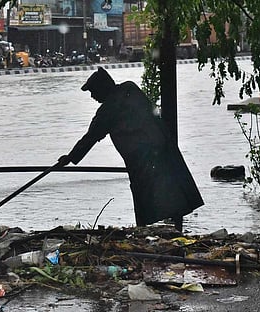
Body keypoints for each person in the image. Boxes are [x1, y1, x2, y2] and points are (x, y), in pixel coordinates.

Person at [58, 67, 204, 231]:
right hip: (161, 146)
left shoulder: (108, 110)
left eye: (93, 92)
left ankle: (141, 230)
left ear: (102, 88)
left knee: (143, 194)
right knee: (173, 188)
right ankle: (176, 227)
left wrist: (70, 157)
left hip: (141, 158)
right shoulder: (130, 88)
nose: (93, 97)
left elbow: (90, 137)